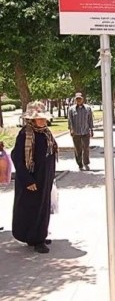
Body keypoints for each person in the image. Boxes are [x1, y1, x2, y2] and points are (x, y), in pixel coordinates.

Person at [11, 101, 58, 253]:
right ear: (31, 120)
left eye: (44, 118)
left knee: (43, 208)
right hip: (31, 180)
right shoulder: (25, 134)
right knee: (31, 209)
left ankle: (40, 235)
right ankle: (35, 239)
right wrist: (28, 180)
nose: (43, 121)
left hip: (45, 178)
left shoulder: (45, 133)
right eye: (39, 118)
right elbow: (17, 158)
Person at [68, 92, 94, 171]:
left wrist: (91, 129)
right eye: (77, 99)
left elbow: (90, 119)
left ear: (82, 99)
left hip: (85, 131)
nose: (78, 100)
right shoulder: (71, 109)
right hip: (76, 132)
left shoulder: (88, 108)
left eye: (80, 98)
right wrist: (71, 129)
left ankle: (86, 163)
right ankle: (80, 164)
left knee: (86, 148)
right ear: (75, 100)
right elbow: (70, 120)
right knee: (77, 149)